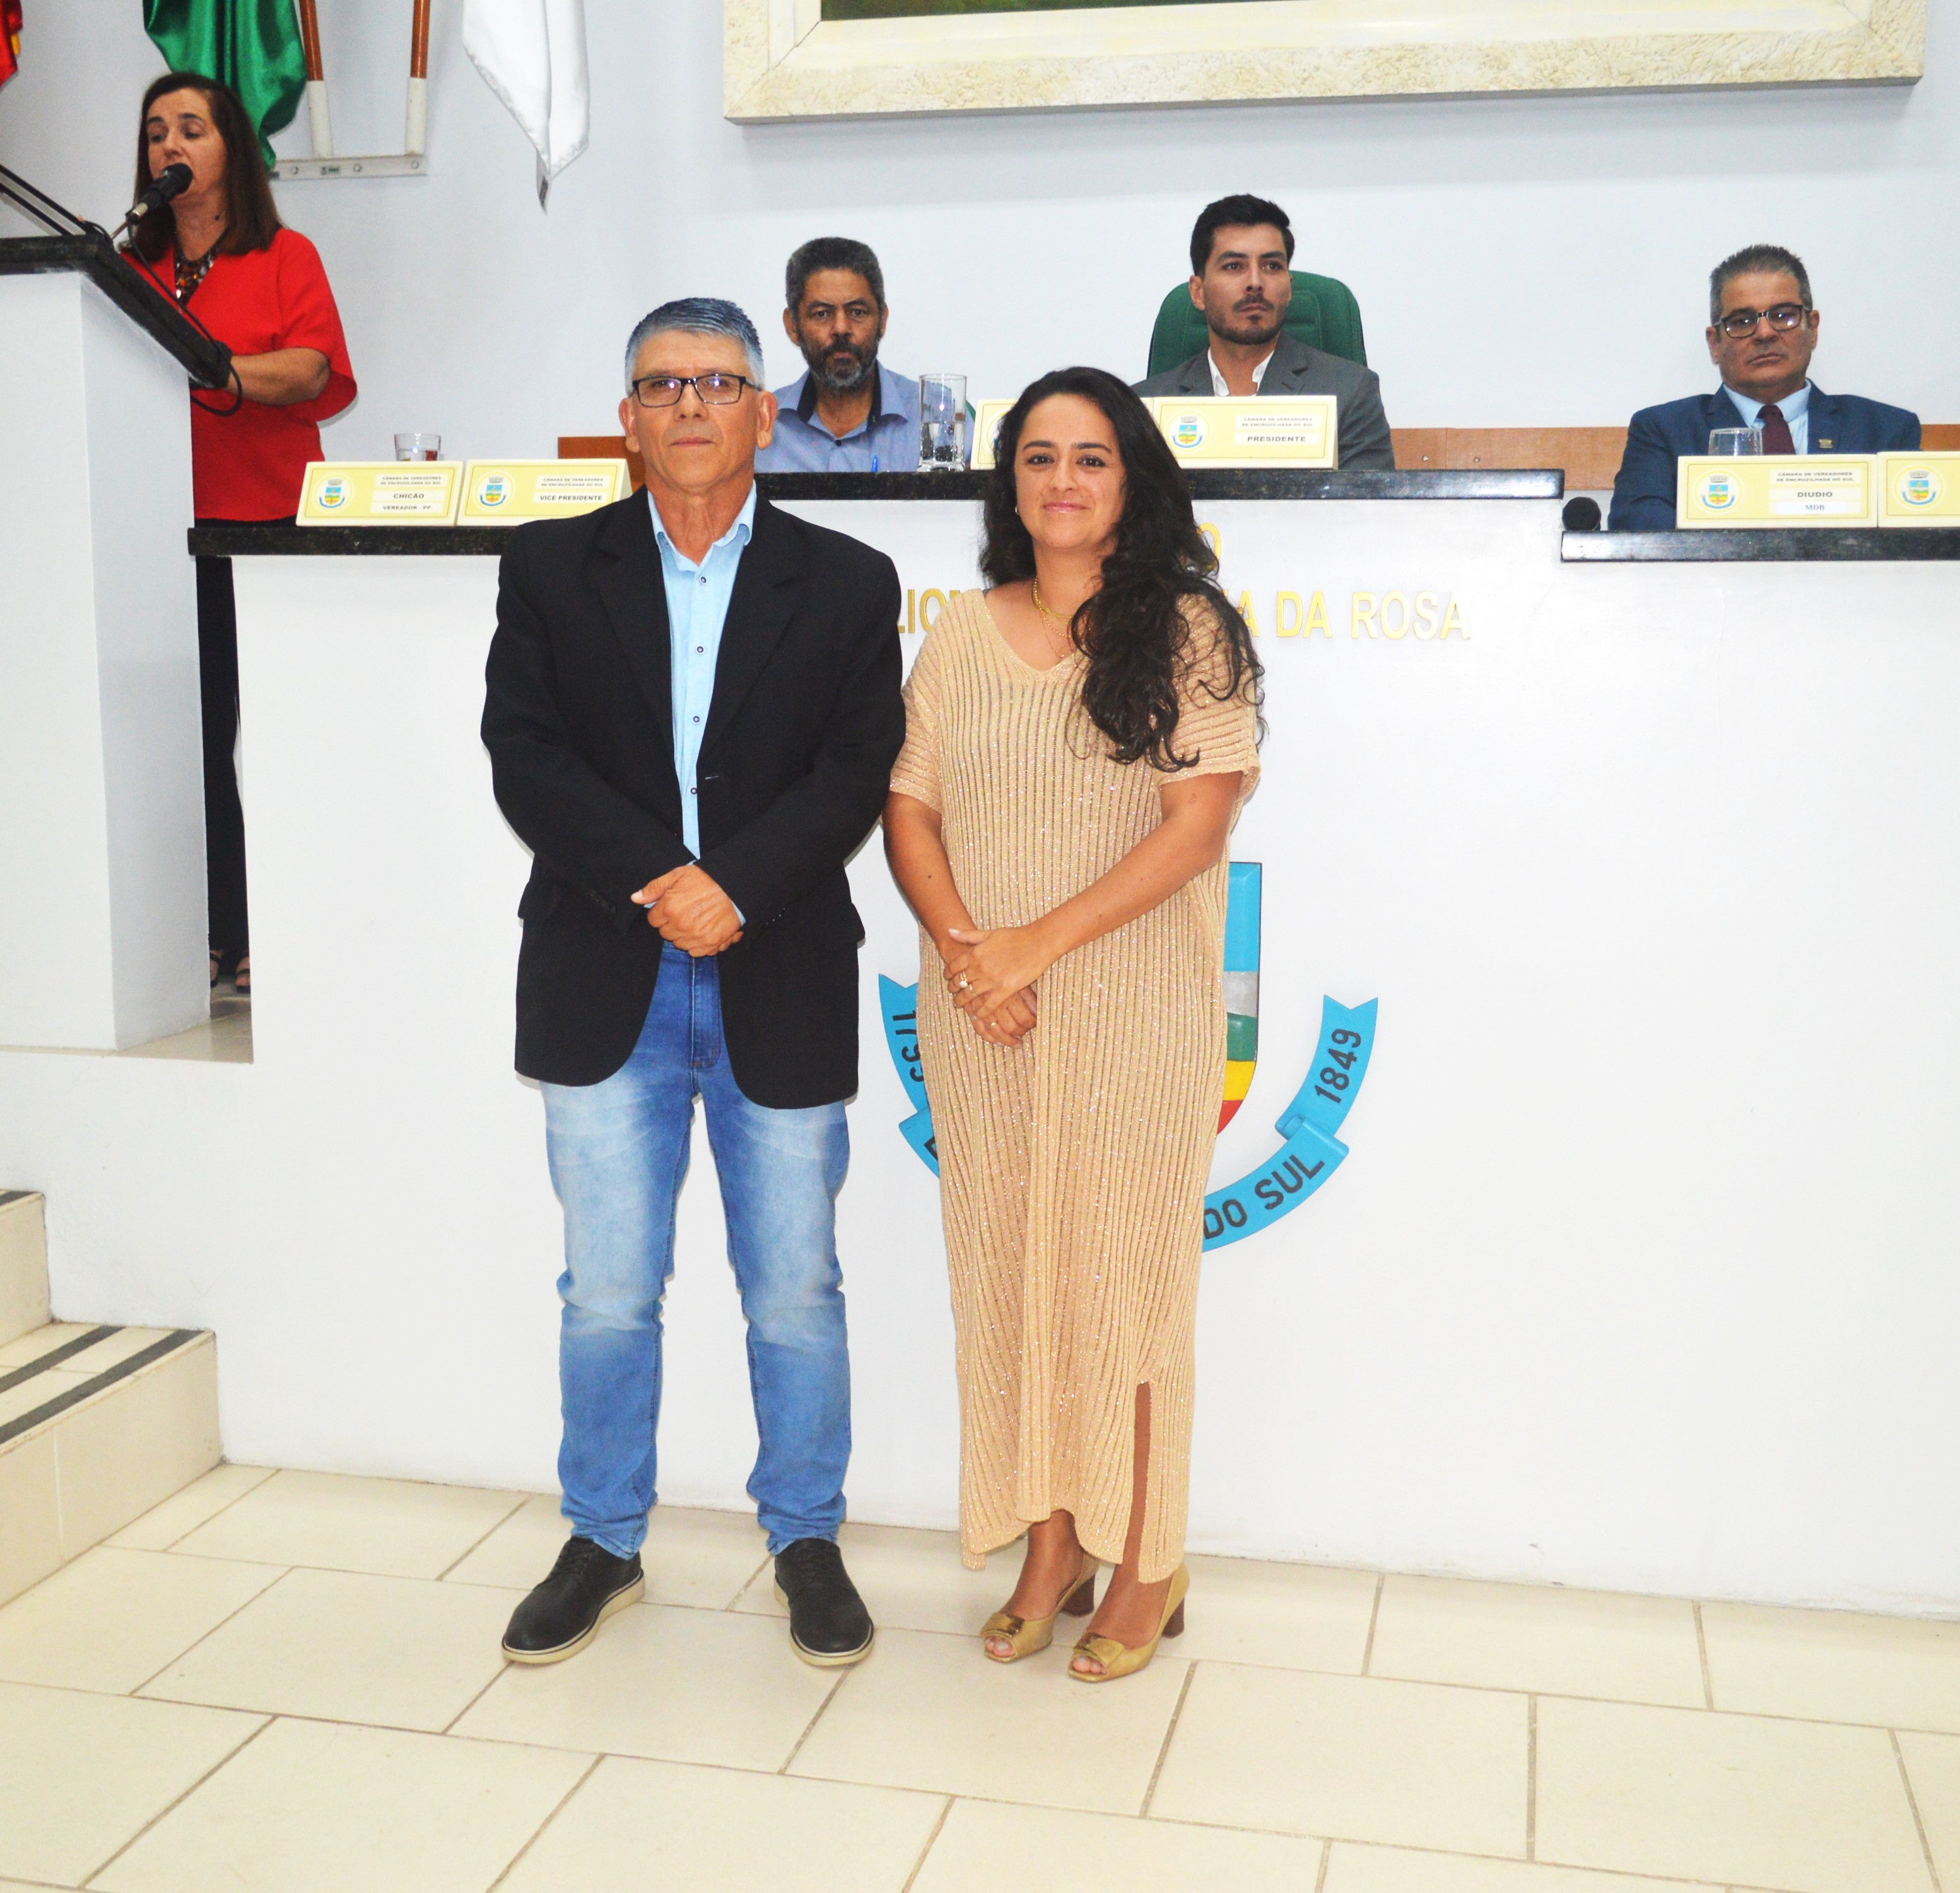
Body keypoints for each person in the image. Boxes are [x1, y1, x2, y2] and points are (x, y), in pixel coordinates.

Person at [481, 298, 903, 1670]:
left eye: (718, 384)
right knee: (607, 1291)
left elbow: (854, 767)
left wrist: (738, 887)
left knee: (794, 1291)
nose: (689, 407)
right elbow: (526, 755)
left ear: (763, 413)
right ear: (627, 418)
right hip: (604, 970)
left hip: (779, 968)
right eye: (662, 386)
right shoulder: (551, 566)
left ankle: (806, 1539)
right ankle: (601, 1537)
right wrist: (664, 880)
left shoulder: (848, 581)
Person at [884, 367, 1262, 1682]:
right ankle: (1051, 1548)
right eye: (1037, 456)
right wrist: (967, 954)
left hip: (1130, 1012)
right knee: (1009, 1280)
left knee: (1125, 1289)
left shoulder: (1188, 630)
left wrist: (1030, 945)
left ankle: (1147, 1560)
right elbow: (910, 808)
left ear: (1131, 478)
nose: (1060, 480)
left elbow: (1198, 823)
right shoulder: (958, 632)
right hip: (982, 1014)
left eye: (1089, 457)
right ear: (1009, 482)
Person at [124, 71, 356, 998]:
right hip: (155, 532)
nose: (169, 147)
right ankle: (217, 931)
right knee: (188, 744)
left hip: (267, 527)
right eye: (156, 133)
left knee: (277, 738)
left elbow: (310, 370)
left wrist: (220, 371)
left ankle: (285, 931)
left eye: (191, 129)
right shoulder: (128, 267)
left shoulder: (283, 255)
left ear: (233, 151)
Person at [1609, 244, 1921, 531]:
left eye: (1783, 316)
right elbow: (1639, 531)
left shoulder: (1885, 430)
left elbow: (1916, 540)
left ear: (1812, 328)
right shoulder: (1664, 431)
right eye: (1742, 322)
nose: (1765, 333)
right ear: (1715, 344)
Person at [1132, 194, 1394, 471]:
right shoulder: (1143, 408)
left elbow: (1366, 500)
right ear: (1198, 293)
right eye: (1234, 266)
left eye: (1272, 266)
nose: (1255, 283)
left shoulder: (1351, 393)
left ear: (1289, 288)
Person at [756, 236, 937, 473]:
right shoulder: (760, 426)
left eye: (857, 312)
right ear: (793, 326)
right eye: (822, 314)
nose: (841, 329)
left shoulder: (935, 415)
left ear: (882, 320)